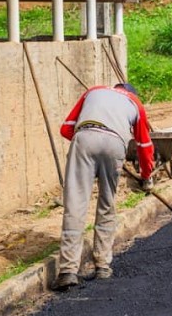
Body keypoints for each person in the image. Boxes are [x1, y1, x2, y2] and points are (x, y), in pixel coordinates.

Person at [53, 83, 155, 291]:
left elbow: (66, 128)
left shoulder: (94, 91)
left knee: (76, 204)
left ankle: (68, 271)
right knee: (107, 204)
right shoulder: (135, 103)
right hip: (115, 143)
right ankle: (102, 266)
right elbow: (145, 146)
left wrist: (88, 147)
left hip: (85, 137)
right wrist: (146, 177)